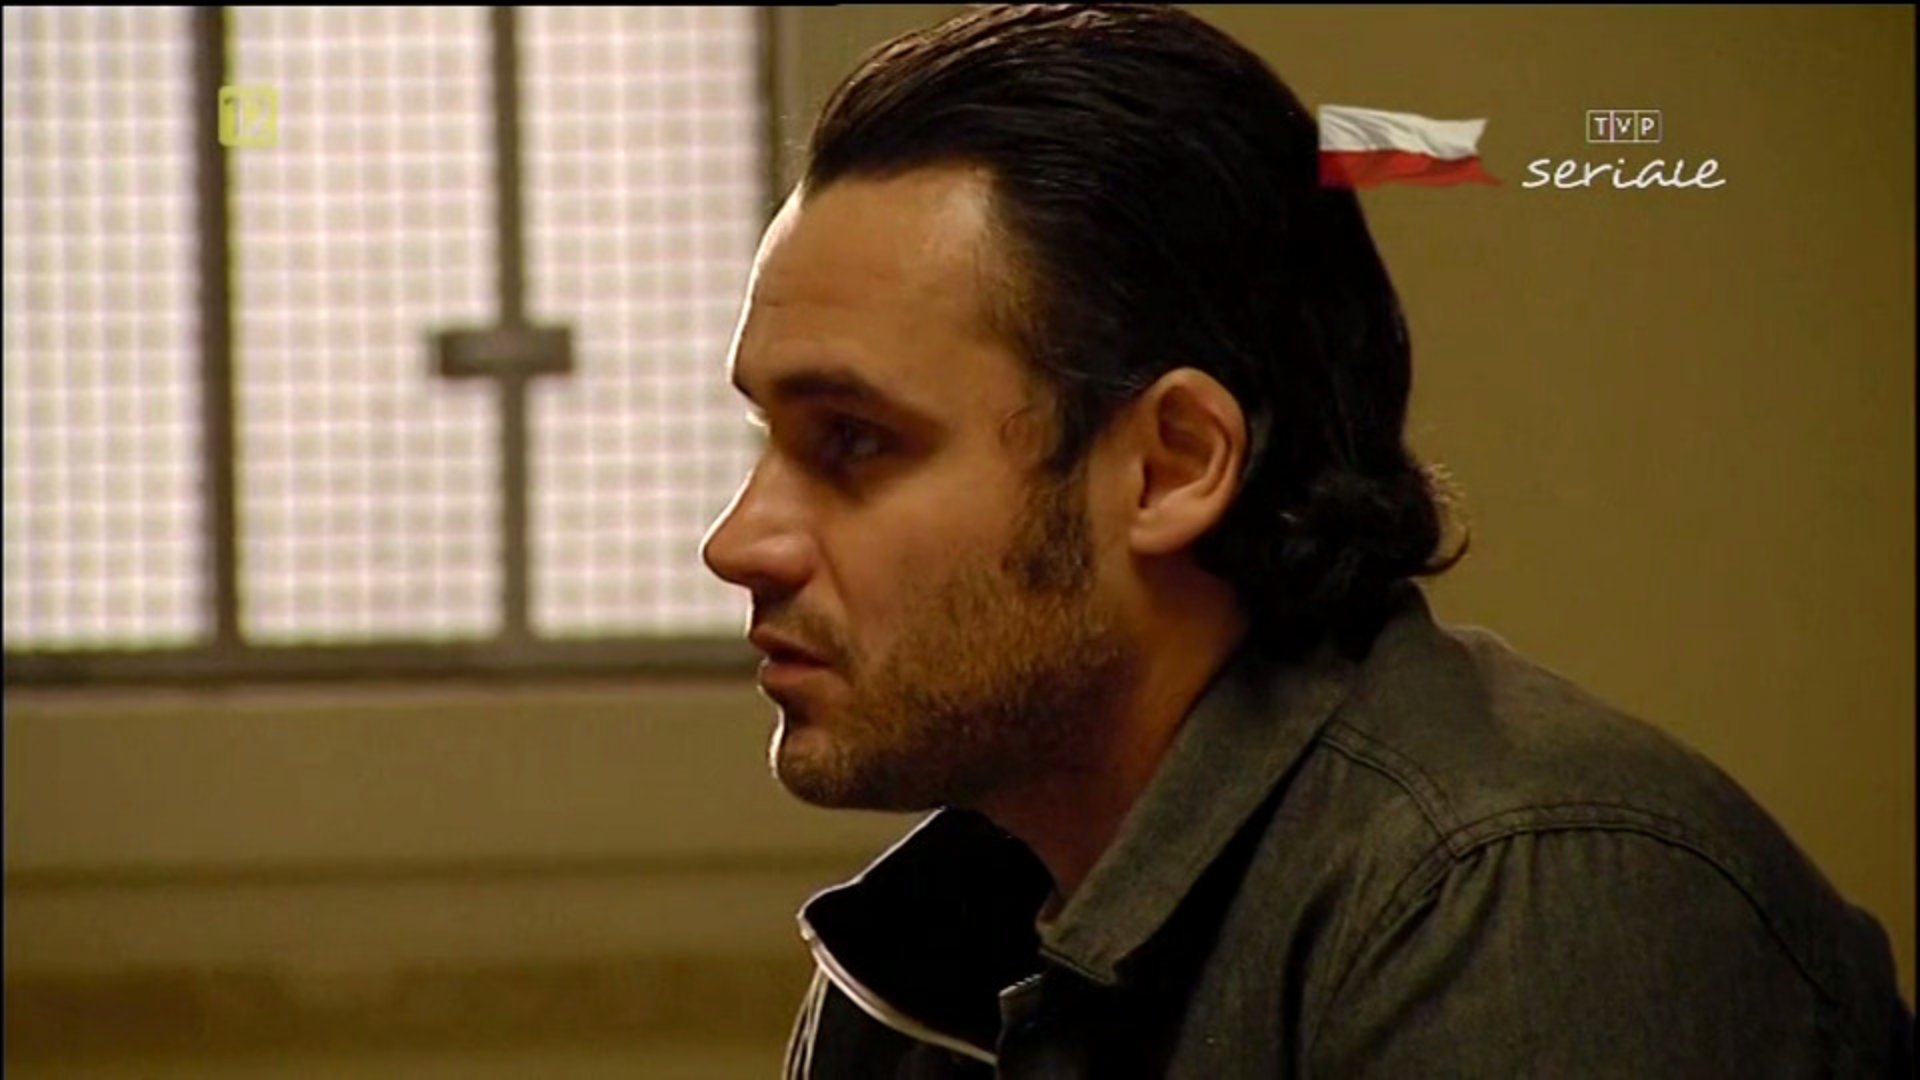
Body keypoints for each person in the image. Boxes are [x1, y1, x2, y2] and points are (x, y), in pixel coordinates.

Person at [698, 5, 1912, 1076]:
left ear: (1172, 465)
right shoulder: (934, 943)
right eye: (768, 436)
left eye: (852, 440)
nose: (739, 543)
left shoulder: (1514, 897)